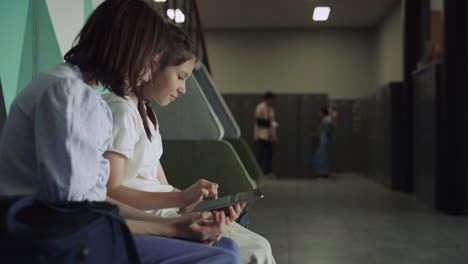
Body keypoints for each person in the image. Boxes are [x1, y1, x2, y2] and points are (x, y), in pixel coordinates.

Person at [0, 0, 241, 263]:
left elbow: (95, 200)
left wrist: (179, 222)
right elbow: (78, 213)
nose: (152, 70)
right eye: (153, 57)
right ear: (130, 48)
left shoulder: (77, 91)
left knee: (227, 249)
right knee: (221, 257)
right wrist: (171, 228)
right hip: (48, 239)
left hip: (69, 229)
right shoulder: (69, 94)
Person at [102, 23, 276, 264]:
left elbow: (160, 186)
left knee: (257, 243)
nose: (183, 89)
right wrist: (181, 200)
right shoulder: (120, 110)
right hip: (148, 220)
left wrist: (197, 204)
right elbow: (111, 192)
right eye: (180, 77)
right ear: (153, 65)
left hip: (166, 213)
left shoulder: (146, 114)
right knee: (255, 250)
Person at [254, 92, 278, 179]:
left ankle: (267, 173)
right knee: (260, 155)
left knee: (269, 156)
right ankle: (257, 173)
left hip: (269, 137)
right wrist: (270, 123)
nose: (272, 101)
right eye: (271, 99)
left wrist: (274, 136)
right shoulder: (260, 107)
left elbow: (272, 125)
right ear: (267, 98)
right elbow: (259, 121)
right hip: (261, 136)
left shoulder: (271, 109)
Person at [313, 106, 334, 178]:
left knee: (322, 157)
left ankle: (323, 173)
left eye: (319, 112)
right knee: (320, 156)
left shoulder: (327, 120)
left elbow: (327, 131)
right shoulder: (326, 119)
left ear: (322, 112)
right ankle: (322, 172)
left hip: (324, 140)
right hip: (323, 140)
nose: (318, 113)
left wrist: (319, 134)